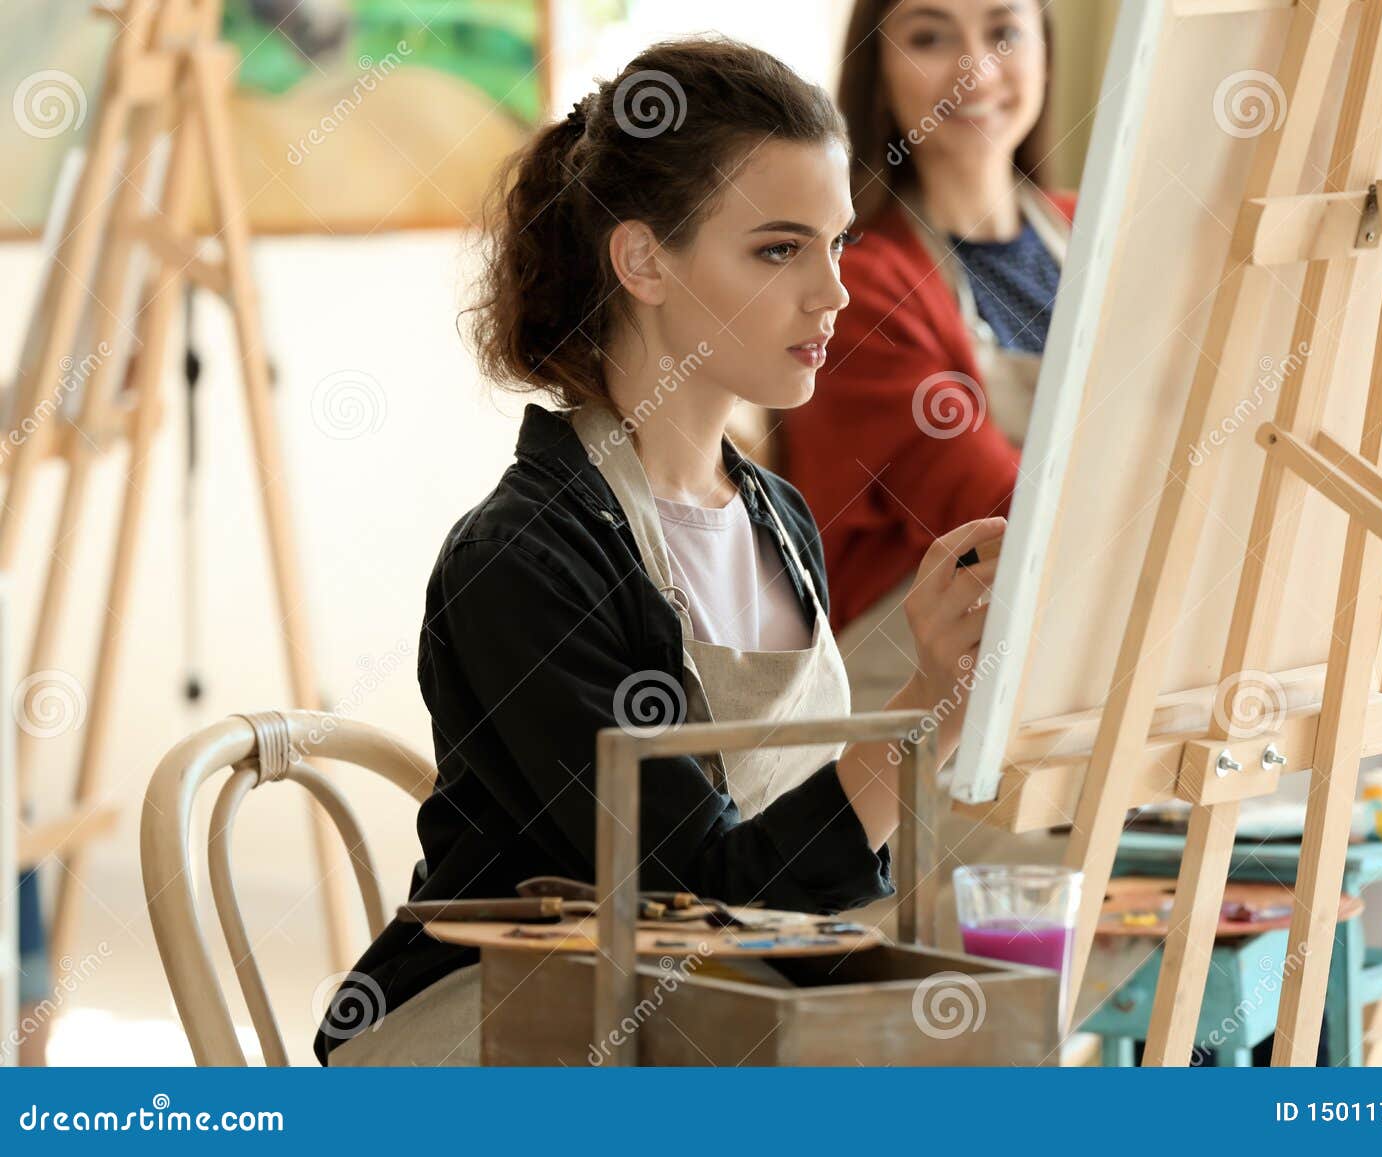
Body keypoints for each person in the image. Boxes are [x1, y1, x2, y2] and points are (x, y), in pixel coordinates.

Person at [316, 35, 1003, 1067]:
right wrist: (925, 708)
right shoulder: (524, 557)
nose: (834, 292)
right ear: (642, 260)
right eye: (778, 250)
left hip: (705, 1016)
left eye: (837, 244)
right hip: (502, 1035)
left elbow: (775, 897)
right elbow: (697, 899)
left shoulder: (776, 515)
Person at [778, 0, 1078, 950]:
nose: (975, 70)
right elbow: (1001, 516)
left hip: (1073, 684)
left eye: (1003, 31)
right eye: (930, 35)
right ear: (876, 66)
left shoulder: (1091, 238)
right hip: (920, 723)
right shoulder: (858, 286)